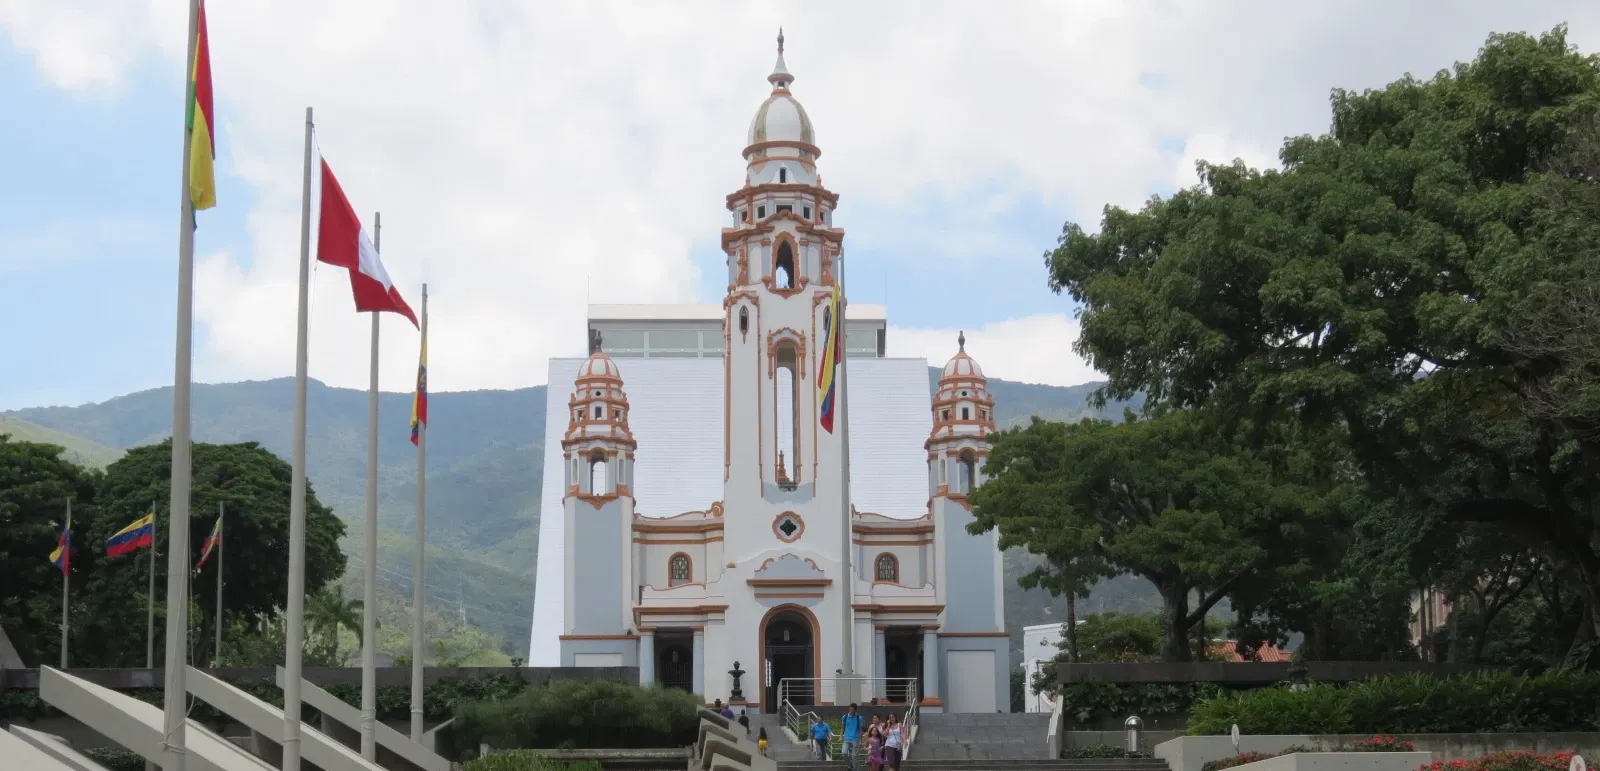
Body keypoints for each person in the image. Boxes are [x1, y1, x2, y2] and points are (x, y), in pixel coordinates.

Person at [841, 703, 864, 770]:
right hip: (846, 738)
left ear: (855, 710)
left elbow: (860, 730)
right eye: (850, 709)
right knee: (844, 753)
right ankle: (849, 765)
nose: (851, 710)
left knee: (854, 756)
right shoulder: (845, 717)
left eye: (852, 709)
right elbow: (842, 728)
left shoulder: (859, 718)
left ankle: (857, 769)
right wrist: (841, 736)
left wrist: (860, 740)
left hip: (855, 739)